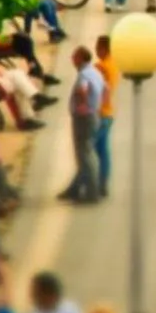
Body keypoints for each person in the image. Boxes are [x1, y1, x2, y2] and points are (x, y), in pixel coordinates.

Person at [59, 47, 104, 205]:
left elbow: (82, 89)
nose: (72, 59)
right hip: (94, 114)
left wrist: (84, 104)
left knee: (84, 155)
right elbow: (106, 89)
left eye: (74, 57)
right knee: (87, 153)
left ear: (80, 58)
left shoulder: (84, 74)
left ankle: (91, 193)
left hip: (83, 118)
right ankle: (76, 188)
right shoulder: (95, 72)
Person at [93, 37, 119, 200]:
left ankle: (89, 184)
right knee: (103, 151)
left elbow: (101, 89)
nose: (96, 50)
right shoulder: (114, 64)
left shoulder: (100, 67)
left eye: (98, 47)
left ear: (104, 49)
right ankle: (103, 184)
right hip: (109, 113)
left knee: (88, 150)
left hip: (100, 113)